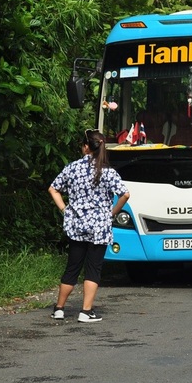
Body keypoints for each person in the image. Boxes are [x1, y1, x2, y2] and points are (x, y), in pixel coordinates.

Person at [48, 129, 130, 322]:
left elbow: (53, 188)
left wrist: (64, 209)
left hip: (76, 225)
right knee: (93, 268)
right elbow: (125, 194)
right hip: (99, 226)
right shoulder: (108, 172)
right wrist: (112, 212)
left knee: (72, 267)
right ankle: (85, 311)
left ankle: (59, 309)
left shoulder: (72, 168)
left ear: (86, 146)